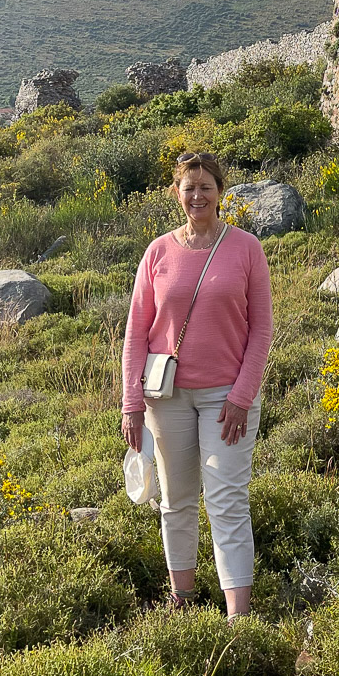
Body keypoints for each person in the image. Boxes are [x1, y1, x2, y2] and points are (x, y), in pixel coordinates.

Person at [122, 151, 273, 619]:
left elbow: (262, 329)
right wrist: (131, 402)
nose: (197, 195)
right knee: (176, 501)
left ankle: (238, 618)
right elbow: (136, 330)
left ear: (221, 191)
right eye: (189, 187)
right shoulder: (158, 252)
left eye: (206, 186)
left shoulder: (246, 248)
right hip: (165, 397)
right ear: (176, 193)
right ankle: (181, 601)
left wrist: (242, 396)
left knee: (227, 500)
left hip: (227, 397)